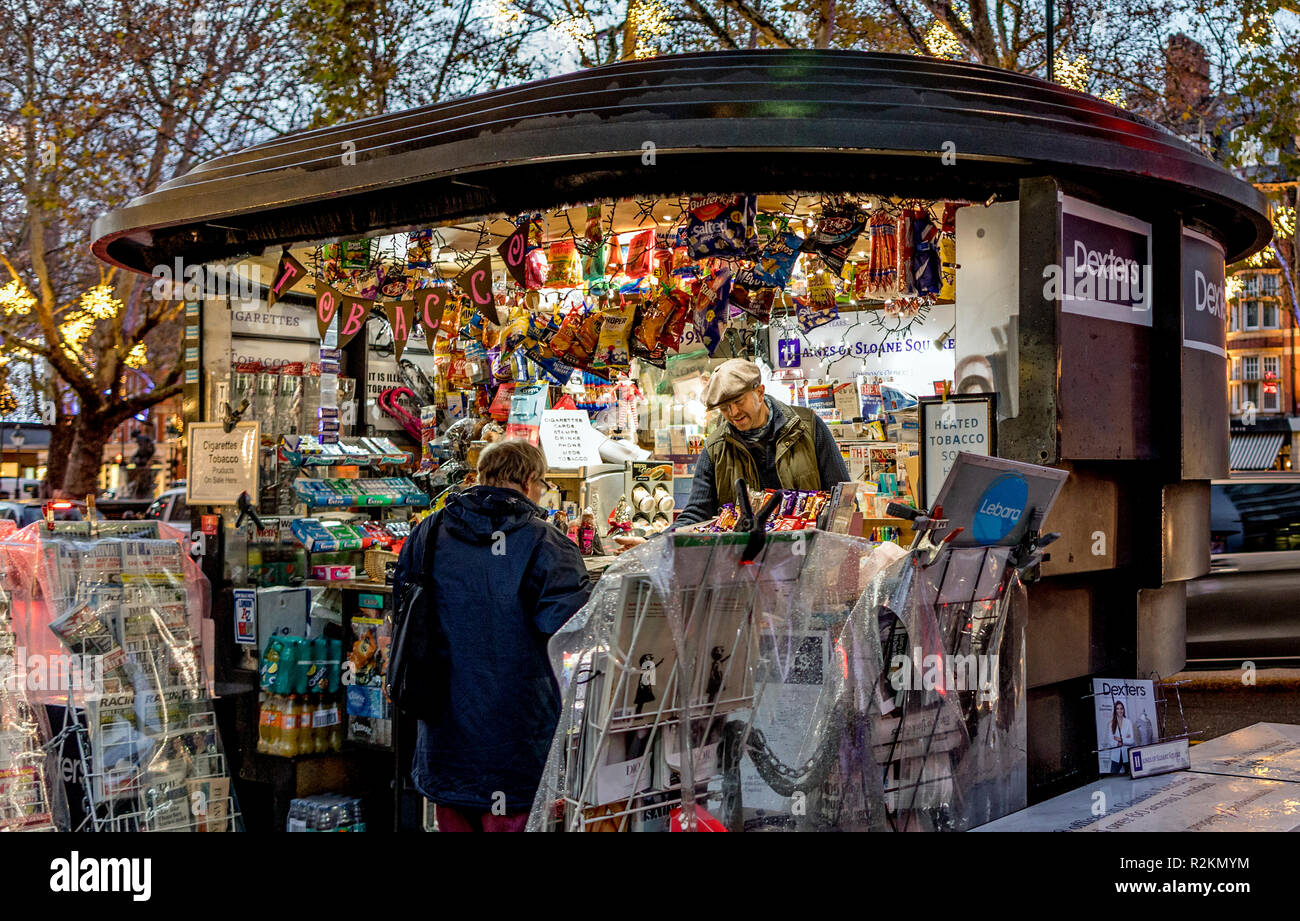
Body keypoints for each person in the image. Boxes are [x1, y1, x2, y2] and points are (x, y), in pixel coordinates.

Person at [394, 438, 592, 831]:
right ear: (531, 480)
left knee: (452, 817)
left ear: (482, 476)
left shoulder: (429, 532)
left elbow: (403, 606)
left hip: (444, 735)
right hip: (516, 739)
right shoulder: (546, 543)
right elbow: (571, 628)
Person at [616, 358, 850, 549]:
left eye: (739, 401)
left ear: (759, 392)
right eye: (724, 408)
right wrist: (650, 542)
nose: (734, 412)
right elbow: (697, 514)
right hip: (743, 565)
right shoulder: (715, 448)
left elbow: (843, 498)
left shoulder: (807, 427)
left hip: (807, 557)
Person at [1107, 700, 1135, 774]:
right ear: (1115, 710)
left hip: (1127, 755)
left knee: (1130, 777)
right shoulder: (1111, 724)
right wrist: (1124, 741)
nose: (1120, 710)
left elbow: (1132, 740)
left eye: (1121, 708)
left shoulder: (1128, 722)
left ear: (1123, 710)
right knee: (1113, 778)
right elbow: (1111, 741)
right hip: (1116, 756)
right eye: (1117, 708)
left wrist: (1119, 739)